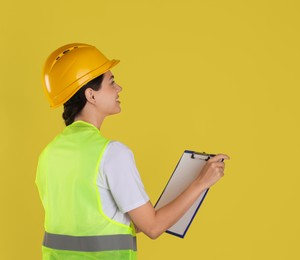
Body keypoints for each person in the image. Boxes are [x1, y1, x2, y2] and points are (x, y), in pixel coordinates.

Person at [36, 43, 229, 260]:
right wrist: (201, 183)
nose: (119, 89)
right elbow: (153, 227)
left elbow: (92, 223)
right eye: (112, 82)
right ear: (91, 95)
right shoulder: (112, 153)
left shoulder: (48, 154)